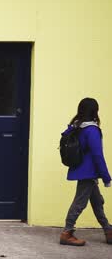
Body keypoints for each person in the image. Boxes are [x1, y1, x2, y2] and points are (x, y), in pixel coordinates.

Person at [60, 98, 112, 246]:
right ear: (95, 111)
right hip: (88, 173)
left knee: (97, 202)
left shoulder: (77, 127)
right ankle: (66, 232)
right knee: (79, 203)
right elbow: (98, 155)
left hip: (81, 170)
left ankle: (108, 230)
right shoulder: (92, 130)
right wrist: (106, 176)